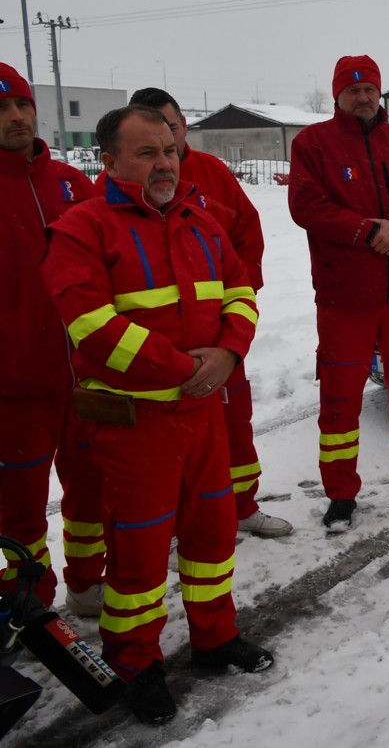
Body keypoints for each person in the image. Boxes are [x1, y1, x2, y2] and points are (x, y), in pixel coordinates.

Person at [43, 105, 274, 725]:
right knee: (140, 553)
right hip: (136, 424)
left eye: (169, 150)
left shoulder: (200, 222)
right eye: (147, 153)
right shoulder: (81, 229)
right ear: (110, 161)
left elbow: (240, 291)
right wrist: (184, 368)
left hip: (203, 416)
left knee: (211, 532)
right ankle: (134, 662)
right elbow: (92, 327)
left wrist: (228, 352)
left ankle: (214, 636)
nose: (165, 163)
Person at [288, 55, 389, 531]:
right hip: (345, 297)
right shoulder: (312, 143)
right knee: (340, 397)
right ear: (337, 95)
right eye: (352, 90)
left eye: (369, 89)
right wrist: (368, 231)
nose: (362, 97)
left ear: (379, 93)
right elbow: (306, 205)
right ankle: (341, 494)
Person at [128, 87, 292, 538]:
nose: (164, 149)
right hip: (154, 350)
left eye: (170, 130)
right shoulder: (117, 196)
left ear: (182, 126)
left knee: (233, 426)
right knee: (162, 444)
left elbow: (247, 239)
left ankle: (241, 507)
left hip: (220, 340)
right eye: (150, 141)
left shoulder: (212, 174)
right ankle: (172, 524)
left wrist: (231, 319)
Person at [0, 62, 105, 618]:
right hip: (15, 387)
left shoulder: (72, 182)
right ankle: (29, 606)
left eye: (22, 104)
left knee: (91, 490)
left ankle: (87, 584)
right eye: (1, 109)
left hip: (86, 377)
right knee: (20, 509)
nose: (16, 116)